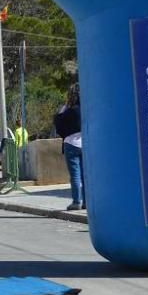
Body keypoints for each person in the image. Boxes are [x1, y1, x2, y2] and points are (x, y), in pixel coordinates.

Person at [54, 83, 85, 211]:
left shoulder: (68, 111)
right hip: (85, 143)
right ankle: (87, 202)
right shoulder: (85, 109)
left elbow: (58, 125)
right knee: (85, 175)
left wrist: (64, 107)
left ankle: (76, 201)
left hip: (71, 144)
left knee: (75, 175)